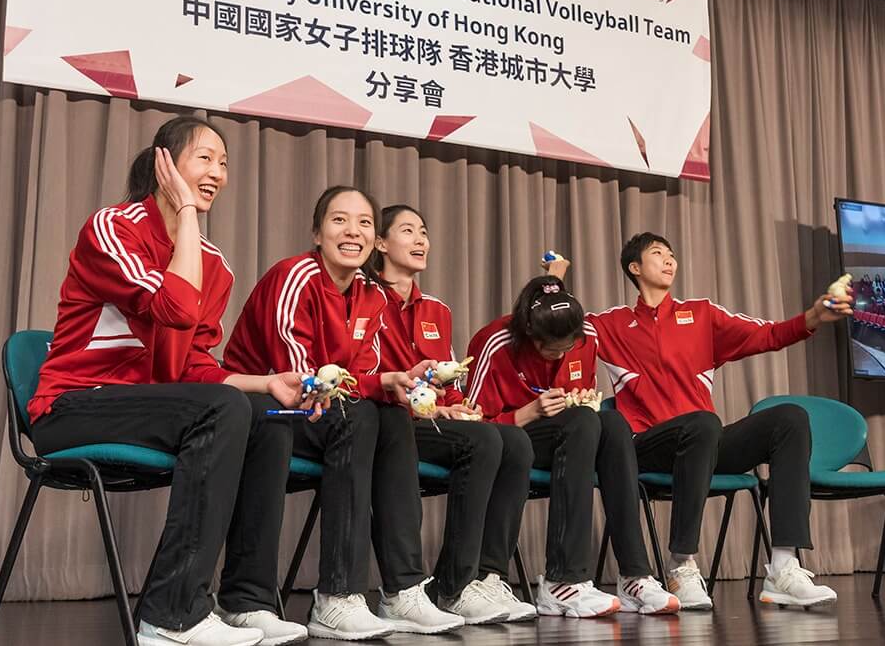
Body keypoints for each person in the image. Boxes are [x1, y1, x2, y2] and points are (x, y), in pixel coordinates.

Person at [28, 116, 311, 646]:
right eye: (204, 158)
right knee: (223, 407)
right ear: (165, 164)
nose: (217, 173)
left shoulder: (214, 265)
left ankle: (246, 601)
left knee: (264, 416)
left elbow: (191, 363)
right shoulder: (113, 228)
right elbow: (175, 308)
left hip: (146, 406)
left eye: (224, 163)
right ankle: (171, 614)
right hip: (72, 406)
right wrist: (185, 211)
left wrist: (265, 382)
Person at [222, 186, 463, 640]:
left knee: (391, 417)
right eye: (339, 220)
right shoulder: (294, 276)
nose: (353, 230)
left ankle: (403, 589)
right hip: (261, 410)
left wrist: (390, 380)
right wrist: (368, 387)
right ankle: (337, 596)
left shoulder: (371, 293)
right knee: (362, 416)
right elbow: (296, 378)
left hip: (324, 413)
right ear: (317, 233)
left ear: (374, 240)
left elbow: (361, 374)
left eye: (365, 223)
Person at [586, 232, 852, 609]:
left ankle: (783, 566)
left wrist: (814, 317)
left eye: (672, 254)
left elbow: (770, 334)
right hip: (648, 446)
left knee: (789, 418)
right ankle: (682, 566)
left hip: (704, 442)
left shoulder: (702, 314)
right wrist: (555, 279)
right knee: (703, 423)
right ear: (634, 268)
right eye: (657, 254)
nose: (669, 260)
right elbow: (560, 330)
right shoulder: (610, 323)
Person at [464, 275, 680, 617]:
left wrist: (577, 403)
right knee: (583, 422)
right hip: (511, 441)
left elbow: (584, 403)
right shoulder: (495, 341)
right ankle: (562, 580)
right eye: (552, 349)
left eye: (568, 346)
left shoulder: (587, 337)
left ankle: (634, 575)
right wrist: (526, 413)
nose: (561, 354)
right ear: (530, 334)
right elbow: (471, 428)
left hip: (571, 440)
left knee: (612, 422)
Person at [371, 204, 537, 624]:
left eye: (424, 232)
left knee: (514, 441)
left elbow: (446, 376)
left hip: (428, 421)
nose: (421, 240)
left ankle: (484, 575)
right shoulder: (365, 296)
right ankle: (453, 586)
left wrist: (454, 404)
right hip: (386, 419)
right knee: (484, 441)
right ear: (381, 243)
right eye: (408, 231)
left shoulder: (437, 310)